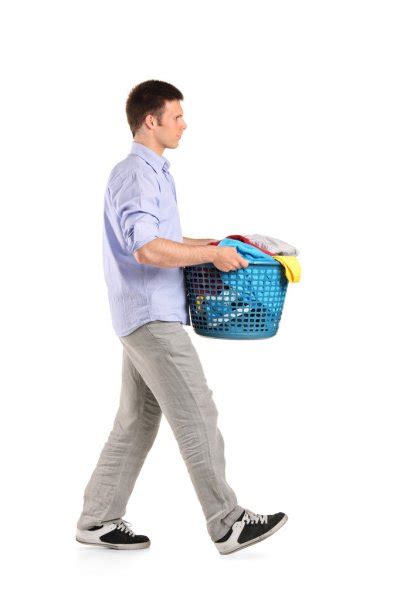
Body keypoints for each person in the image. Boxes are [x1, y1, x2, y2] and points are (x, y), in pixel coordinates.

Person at [75, 80, 288, 555]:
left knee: (137, 420)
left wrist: (217, 246)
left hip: (143, 313)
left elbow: (164, 237)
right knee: (197, 410)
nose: (184, 124)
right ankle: (227, 522)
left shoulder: (154, 172)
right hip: (152, 316)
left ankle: (97, 518)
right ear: (150, 121)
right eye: (176, 116)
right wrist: (209, 255)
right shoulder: (135, 173)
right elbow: (148, 248)